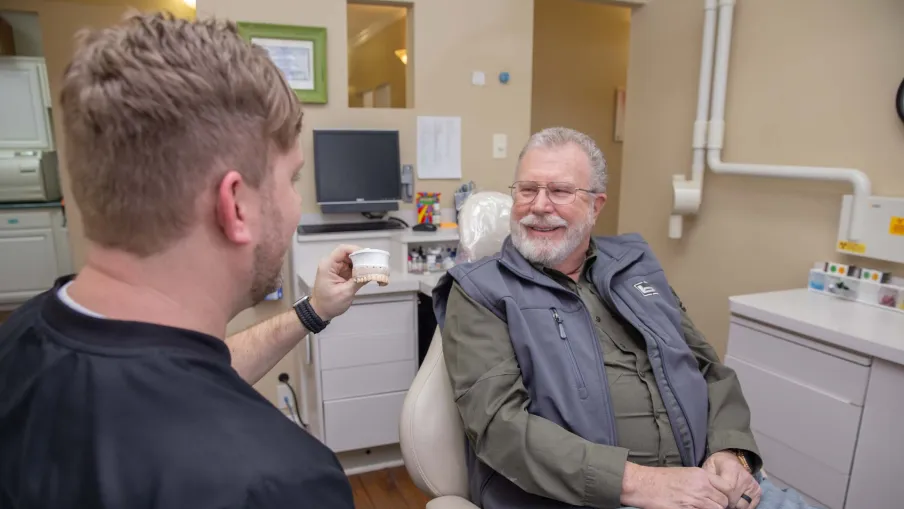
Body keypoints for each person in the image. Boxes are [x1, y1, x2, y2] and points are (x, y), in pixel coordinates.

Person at [0, 13, 365, 509]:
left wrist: (312, 310)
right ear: (235, 206)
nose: (297, 204)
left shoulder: (21, 338)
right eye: (292, 179)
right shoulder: (280, 483)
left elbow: (173, 372)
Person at [433, 128, 818, 509]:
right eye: (527, 189)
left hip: (707, 484)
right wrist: (644, 484)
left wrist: (730, 452)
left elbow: (707, 368)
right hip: (588, 499)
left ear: (596, 206)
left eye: (561, 191)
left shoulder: (634, 266)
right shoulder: (480, 290)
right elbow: (499, 427)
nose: (539, 205)